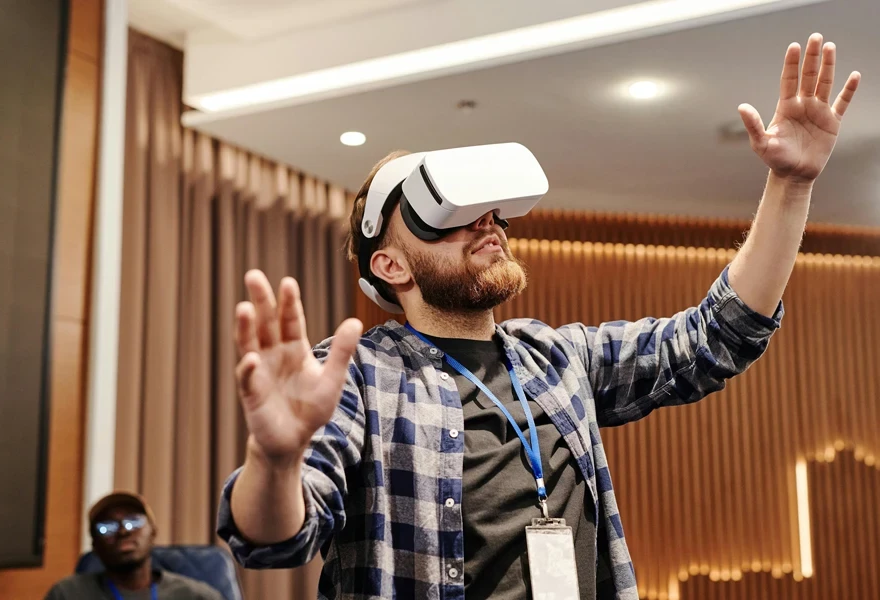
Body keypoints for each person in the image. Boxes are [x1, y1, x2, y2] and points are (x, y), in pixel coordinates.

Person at [216, 34, 860, 599]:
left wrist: (792, 184)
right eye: (450, 219)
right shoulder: (356, 377)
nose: (488, 224)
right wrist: (275, 461)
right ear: (391, 266)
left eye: (492, 213)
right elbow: (276, 541)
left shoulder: (555, 358)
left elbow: (713, 337)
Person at [44, 491, 223, 600]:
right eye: (107, 527)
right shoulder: (68, 594)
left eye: (133, 522)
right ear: (94, 544)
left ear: (153, 533)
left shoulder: (197, 596)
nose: (123, 531)